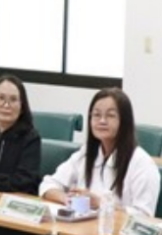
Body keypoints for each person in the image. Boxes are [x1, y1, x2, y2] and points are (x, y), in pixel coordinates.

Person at [40, 88, 160, 217]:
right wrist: (67, 199)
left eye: (110, 115)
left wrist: (100, 203)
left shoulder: (142, 163)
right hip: (82, 227)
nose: (102, 121)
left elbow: (144, 216)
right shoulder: (86, 153)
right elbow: (47, 185)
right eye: (96, 115)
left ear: (124, 121)